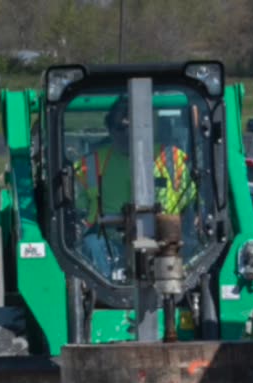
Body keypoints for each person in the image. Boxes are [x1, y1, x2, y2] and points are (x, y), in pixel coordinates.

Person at [75, 96, 195, 280]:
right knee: (90, 244)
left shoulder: (171, 159)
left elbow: (194, 202)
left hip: (164, 241)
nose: (127, 134)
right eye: (121, 128)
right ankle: (99, 297)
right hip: (109, 243)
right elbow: (77, 206)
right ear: (110, 130)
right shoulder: (91, 163)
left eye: (133, 128)